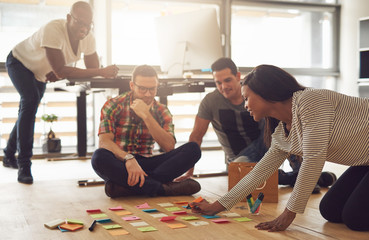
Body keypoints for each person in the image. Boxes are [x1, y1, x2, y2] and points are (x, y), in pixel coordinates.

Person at [191, 64, 369, 232]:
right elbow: (258, 173)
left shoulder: (310, 100)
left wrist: (288, 214)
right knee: (331, 211)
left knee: (355, 219)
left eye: (247, 98)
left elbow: (313, 158)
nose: (245, 106)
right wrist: (217, 206)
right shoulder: (281, 133)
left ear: (265, 93)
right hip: (364, 161)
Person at [176, 58, 335, 194]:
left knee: (281, 124)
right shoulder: (210, 102)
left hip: (266, 144)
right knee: (243, 175)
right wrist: (189, 172)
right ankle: (300, 177)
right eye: (218, 82)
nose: (223, 86)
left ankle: (302, 173)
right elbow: (196, 136)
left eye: (227, 80)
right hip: (240, 157)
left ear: (238, 76)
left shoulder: (255, 93)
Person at [2, 1, 119, 184]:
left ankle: (9, 154)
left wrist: (98, 73)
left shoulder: (88, 37)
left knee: (28, 108)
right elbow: (73, 71)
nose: (84, 28)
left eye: (88, 24)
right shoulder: (54, 29)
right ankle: (24, 165)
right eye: (80, 22)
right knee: (30, 101)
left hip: (41, 74)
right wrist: (64, 71)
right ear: (68, 18)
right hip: (19, 62)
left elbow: (92, 70)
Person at [91, 65, 202, 198]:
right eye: (142, 89)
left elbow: (169, 146)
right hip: (122, 163)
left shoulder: (162, 110)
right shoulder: (113, 105)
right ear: (132, 85)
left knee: (193, 149)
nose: (148, 94)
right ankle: (161, 189)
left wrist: (147, 116)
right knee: (98, 157)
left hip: (150, 165)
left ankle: (126, 187)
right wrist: (128, 158)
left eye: (152, 89)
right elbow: (104, 142)